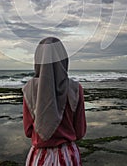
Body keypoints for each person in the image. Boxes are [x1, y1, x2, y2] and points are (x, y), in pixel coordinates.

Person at [22, 37, 86, 166]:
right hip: (68, 156)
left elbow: (28, 131)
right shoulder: (75, 88)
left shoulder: (30, 89)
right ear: (63, 59)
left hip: (39, 157)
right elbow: (80, 132)